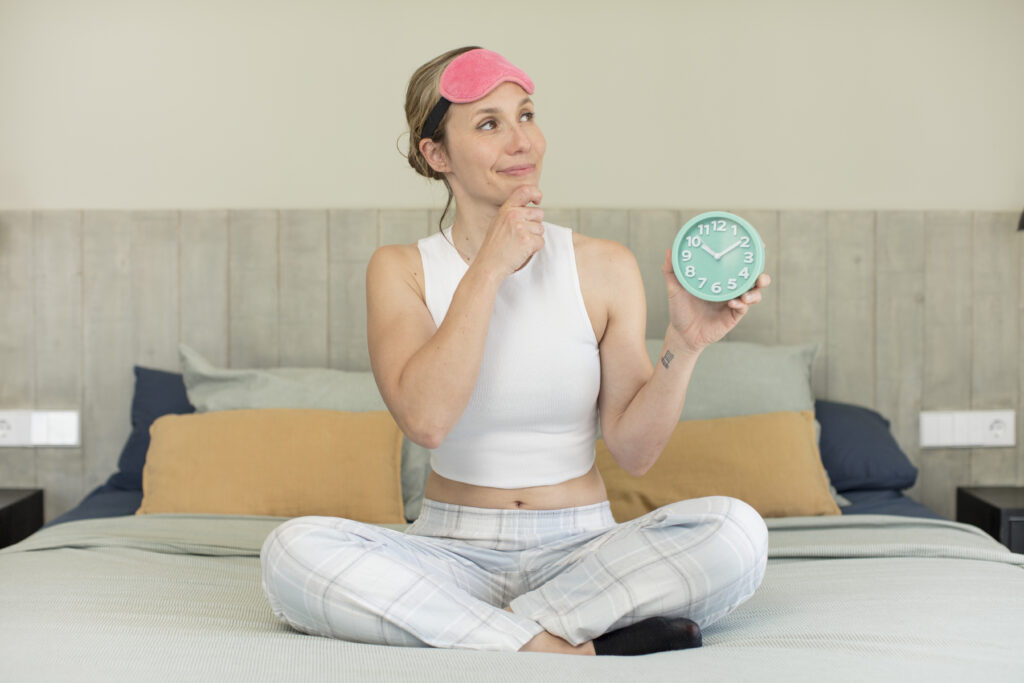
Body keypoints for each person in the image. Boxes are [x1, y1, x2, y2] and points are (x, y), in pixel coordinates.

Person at [261, 46, 772, 656]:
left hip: (584, 550)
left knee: (736, 532)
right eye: (489, 123)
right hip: (450, 551)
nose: (522, 140)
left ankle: (482, 632)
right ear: (436, 153)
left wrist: (686, 345)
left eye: (525, 115)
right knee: (291, 553)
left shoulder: (603, 265)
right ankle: (565, 643)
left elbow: (634, 451)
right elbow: (427, 420)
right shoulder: (402, 270)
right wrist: (490, 267)